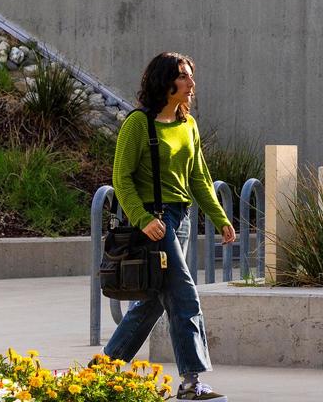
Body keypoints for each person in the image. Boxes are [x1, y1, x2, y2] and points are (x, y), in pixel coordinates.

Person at [99, 52, 236, 402]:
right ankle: (191, 382)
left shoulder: (188, 125)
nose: (191, 83)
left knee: (152, 301)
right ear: (165, 81)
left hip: (182, 220)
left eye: (191, 76)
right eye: (183, 76)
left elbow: (200, 178)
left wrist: (220, 219)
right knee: (184, 294)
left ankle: (102, 371)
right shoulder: (138, 124)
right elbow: (121, 179)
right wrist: (144, 220)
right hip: (153, 224)